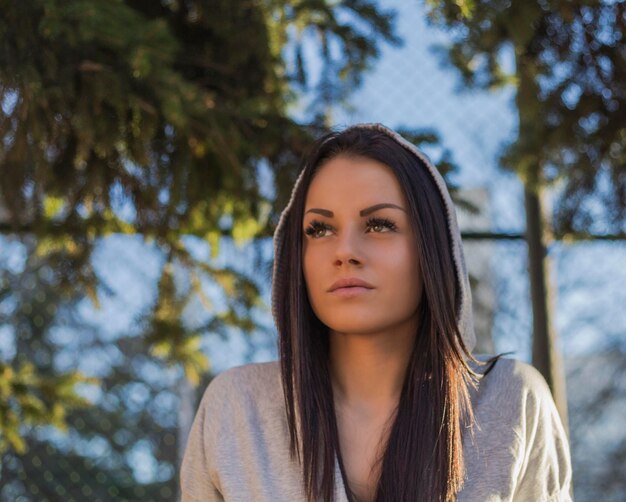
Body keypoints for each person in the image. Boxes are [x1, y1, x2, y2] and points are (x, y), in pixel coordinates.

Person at [180, 123, 572, 501]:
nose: (344, 251)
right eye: (318, 229)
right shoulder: (236, 408)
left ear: (431, 249)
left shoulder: (513, 400)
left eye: (379, 224)